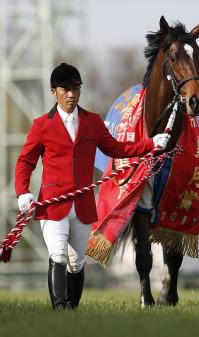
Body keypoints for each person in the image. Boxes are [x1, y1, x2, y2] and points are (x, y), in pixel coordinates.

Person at [15, 63, 170, 310]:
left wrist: (150, 144)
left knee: (76, 263)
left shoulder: (92, 122)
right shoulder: (41, 125)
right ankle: (59, 308)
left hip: (84, 205)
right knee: (57, 255)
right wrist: (22, 191)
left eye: (75, 89)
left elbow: (118, 149)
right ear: (53, 91)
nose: (71, 94)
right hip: (53, 205)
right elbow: (25, 161)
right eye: (65, 89)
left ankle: (72, 308)